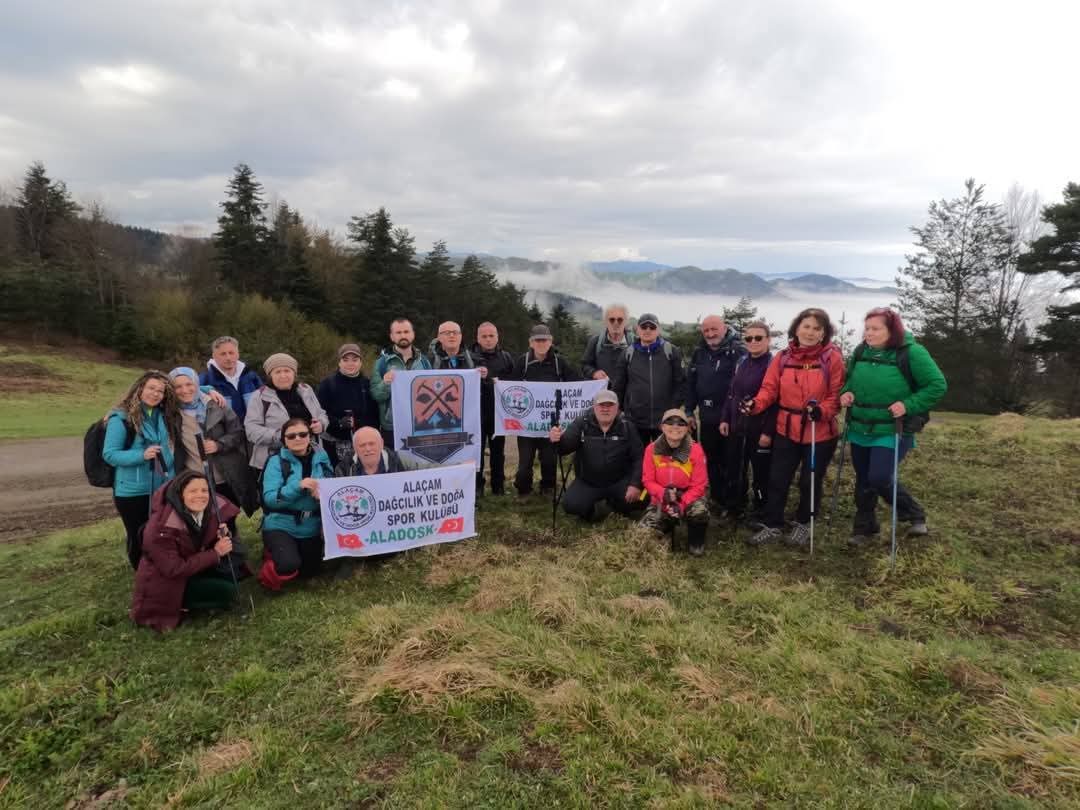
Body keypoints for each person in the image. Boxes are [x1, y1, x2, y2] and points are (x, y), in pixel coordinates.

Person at [839, 307, 947, 546]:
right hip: (860, 427)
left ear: (892, 330)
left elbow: (936, 385)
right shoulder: (860, 352)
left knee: (878, 477)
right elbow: (848, 381)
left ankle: (913, 513)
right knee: (863, 479)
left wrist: (908, 404)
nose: (869, 333)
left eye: (876, 329)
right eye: (867, 328)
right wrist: (845, 394)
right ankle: (865, 528)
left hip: (893, 428)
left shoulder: (912, 353)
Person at [744, 308, 844, 548]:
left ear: (823, 333)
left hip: (818, 431)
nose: (810, 332)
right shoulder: (783, 358)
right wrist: (755, 404)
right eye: (806, 326)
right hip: (786, 428)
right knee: (778, 478)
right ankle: (773, 524)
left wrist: (822, 411)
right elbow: (769, 389)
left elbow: (835, 395)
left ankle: (803, 524)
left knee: (810, 480)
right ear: (796, 328)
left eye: (816, 328)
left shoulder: (832, 358)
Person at [130, 470, 242, 632]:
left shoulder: (202, 512)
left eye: (204, 490)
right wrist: (216, 553)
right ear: (180, 494)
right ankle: (182, 606)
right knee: (228, 592)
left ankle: (196, 598)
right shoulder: (160, 527)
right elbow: (173, 569)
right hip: (168, 583)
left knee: (233, 576)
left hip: (190, 571)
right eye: (193, 491)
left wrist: (219, 537)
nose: (200, 495)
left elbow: (196, 544)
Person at [103, 371, 180, 568]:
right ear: (139, 389)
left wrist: (208, 388)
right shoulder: (121, 418)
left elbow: (189, 393)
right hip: (132, 491)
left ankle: (157, 570)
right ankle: (141, 573)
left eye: (160, 391)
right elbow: (110, 454)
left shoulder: (161, 414)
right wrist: (141, 455)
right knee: (138, 534)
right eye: (151, 388)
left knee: (159, 532)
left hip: (161, 486)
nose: (155, 394)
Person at [258, 418, 335, 590]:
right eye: (291, 436)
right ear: (284, 440)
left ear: (310, 436)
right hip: (281, 523)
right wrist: (298, 486)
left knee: (310, 571)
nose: (297, 438)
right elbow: (270, 498)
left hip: (312, 525)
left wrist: (323, 492)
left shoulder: (322, 457)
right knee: (288, 564)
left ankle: (294, 555)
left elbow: (332, 486)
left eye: (302, 434)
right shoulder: (276, 461)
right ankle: (270, 566)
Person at [169, 367, 257, 516]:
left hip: (225, 476)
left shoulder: (216, 404)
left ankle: (231, 539)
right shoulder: (170, 411)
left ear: (196, 384)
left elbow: (238, 432)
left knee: (228, 516)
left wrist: (219, 444)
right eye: (178, 386)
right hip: (195, 478)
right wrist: (208, 388)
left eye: (189, 384)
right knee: (204, 519)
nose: (184, 390)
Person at [508, 324, 582, 497]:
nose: (541, 343)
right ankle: (523, 490)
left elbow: (577, 383)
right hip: (527, 424)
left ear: (551, 342)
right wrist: (498, 383)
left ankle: (547, 487)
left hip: (551, 423)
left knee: (549, 459)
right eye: (537, 340)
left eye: (545, 340)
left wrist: (596, 384)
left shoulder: (559, 362)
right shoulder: (523, 362)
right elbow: (510, 385)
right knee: (525, 462)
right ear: (531, 343)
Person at [549, 389, 643, 521]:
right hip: (589, 482)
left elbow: (639, 458)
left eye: (610, 405)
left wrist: (635, 484)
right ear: (594, 407)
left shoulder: (627, 426)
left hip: (619, 481)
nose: (605, 409)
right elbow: (564, 448)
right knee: (571, 505)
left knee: (644, 498)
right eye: (601, 405)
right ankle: (596, 509)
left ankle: (615, 505)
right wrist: (557, 439)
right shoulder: (581, 423)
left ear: (617, 408)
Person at [684, 314, 747, 511]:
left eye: (714, 329)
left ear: (724, 328)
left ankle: (736, 504)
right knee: (711, 458)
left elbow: (743, 385)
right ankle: (718, 499)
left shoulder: (738, 352)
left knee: (734, 460)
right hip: (707, 415)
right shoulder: (699, 353)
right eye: (706, 331)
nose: (710, 334)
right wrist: (688, 410)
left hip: (732, 417)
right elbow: (691, 384)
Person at [718, 321, 776, 526]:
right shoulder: (742, 361)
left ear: (768, 340)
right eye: (749, 338)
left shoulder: (773, 365)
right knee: (734, 468)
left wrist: (768, 432)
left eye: (758, 338)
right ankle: (735, 506)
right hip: (737, 425)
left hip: (760, 429)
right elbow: (732, 393)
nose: (753, 342)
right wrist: (725, 418)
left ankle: (760, 510)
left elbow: (776, 401)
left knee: (761, 474)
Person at [639, 409, 710, 555]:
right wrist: (663, 494)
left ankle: (696, 543)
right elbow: (647, 480)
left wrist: (681, 503)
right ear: (662, 427)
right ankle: (666, 531)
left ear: (687, 428)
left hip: (688, 496)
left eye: (681, 423)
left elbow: (699, 485)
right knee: (645, 533)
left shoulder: (696, 450)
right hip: (661, 498)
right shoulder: (651, 449)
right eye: (670, 422)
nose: (675, 426)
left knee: (699, 511)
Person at [245, 353, 328, 472]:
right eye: (277, 372)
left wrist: (321, 424)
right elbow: (251, 430)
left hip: (310, 457)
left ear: (294, 373)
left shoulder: (306, 390)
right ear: (270, 375)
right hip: (274, 462)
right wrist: (283, 435)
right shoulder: (259, 396)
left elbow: (321, 414)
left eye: (287, 371)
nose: (283, 375)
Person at [623, 313, 686, 443]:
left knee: (664, 460)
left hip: (665, 420)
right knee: (639, 460)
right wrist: (625, 411)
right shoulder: (628, 353)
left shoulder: (671, 351)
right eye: (644, 327)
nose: (647, 330)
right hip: (636, 421)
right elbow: (620, 384)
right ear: (637, 329)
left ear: (658, 330)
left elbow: (680, 383)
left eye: (652, 327)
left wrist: (672, 408)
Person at [370, 318, 432, 447]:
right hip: (392, 427)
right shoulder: (381, 363)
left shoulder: (424, 362)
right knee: (394, 465)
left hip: (420, 425)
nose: (403, 335)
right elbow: (376, 395)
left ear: (413, 334)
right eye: (398, 333)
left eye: (406, 331)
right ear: (392, 336)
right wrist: (385, 383)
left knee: (418, 466)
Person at [317, 344, 380, 467]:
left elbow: (375, 414)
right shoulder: (328, 384)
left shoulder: (367, 383)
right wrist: (339, 423)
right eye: (345, 360)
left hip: (364, 443)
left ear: (361, 362)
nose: (350, 364)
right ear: (339, 363)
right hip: (335, 443)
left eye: (355, 360)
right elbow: (320, 413)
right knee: (340, 478)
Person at [471, 322, 514, 496]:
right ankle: (477, 486)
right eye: (484, 336)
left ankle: (498, 485)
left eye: (491, 336)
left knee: (498, 451)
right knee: (477, 451)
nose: (488, 340)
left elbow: (513, 382)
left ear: (497, 337)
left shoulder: (506, 357)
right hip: (476, 413)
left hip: (498, 413)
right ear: (477, 338)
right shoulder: (469, 357)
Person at [198, 336, 263, 421]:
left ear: (238, 354)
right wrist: (207, 390)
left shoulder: (251, 377)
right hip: (226, 433)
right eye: (223, 354)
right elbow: (191, 392)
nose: (228, 358)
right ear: (214, 356)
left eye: (231, 353)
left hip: (253, 430)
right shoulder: (206, 379)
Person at [581, 303, 631, 400]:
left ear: (626, 322)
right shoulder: (595, 342)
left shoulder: (634, 344)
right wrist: (594, 373)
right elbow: (585, 365)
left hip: (627, 400)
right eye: (612, 320)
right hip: (603, 400)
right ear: (606, 322)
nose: (616, 323)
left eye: (620, 320)